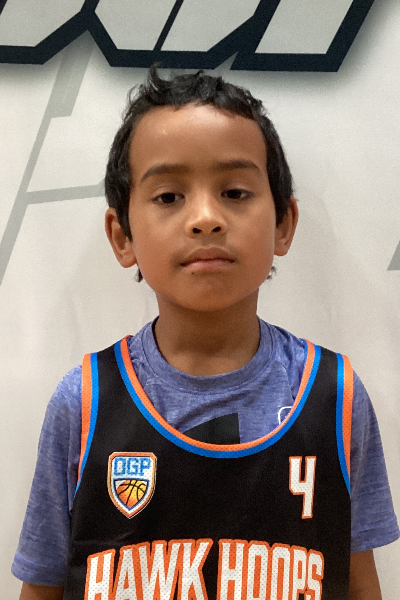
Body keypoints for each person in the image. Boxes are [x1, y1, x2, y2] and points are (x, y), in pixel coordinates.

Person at [13, 67, 398, 600]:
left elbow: (359, 583)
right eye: (169, 196)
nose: (205, 218)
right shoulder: (83, 403)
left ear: (284, 223)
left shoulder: (337, 397)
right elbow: (42, 588)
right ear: (122, 236)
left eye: (235, 191)